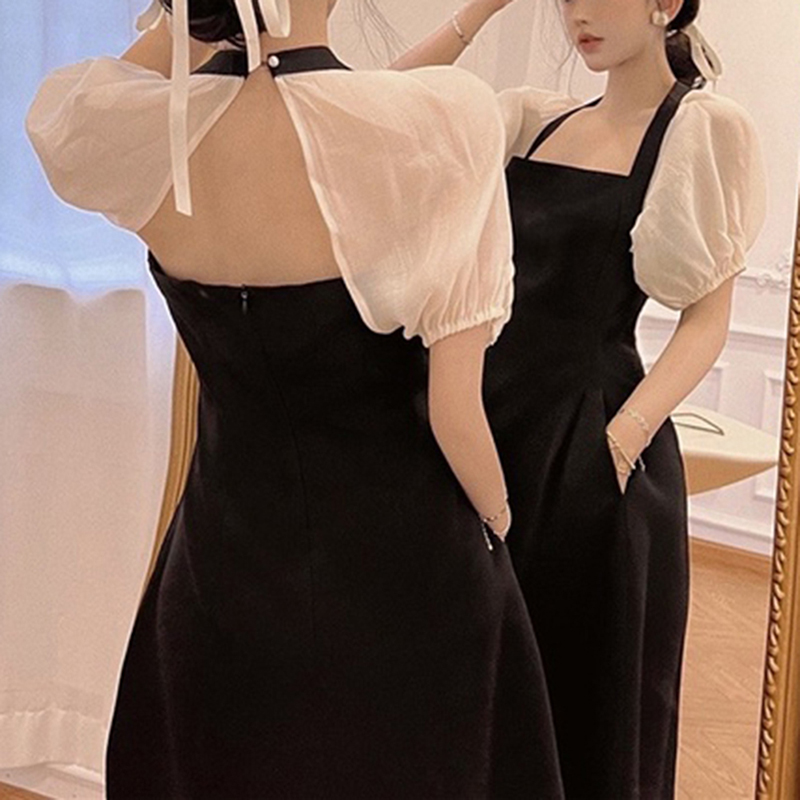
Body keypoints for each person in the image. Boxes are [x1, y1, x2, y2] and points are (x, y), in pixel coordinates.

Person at [26, 0, 566, 796]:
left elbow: (75, 105)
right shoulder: (446, 122)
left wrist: (187, 21)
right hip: (403, 576)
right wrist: (501, 518)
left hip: (221, 571)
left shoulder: (146, 130)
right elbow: (457, 412)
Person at [398, 0, 767, 796]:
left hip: (588, 454)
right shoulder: (532, 121)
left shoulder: (699, 132)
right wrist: (481, 10)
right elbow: (381, 113)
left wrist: (621, 442)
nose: (578, 14)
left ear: (664, 4)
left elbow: (707, 320)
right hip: (485, 432)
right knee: (473, 700)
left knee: (584, 705)